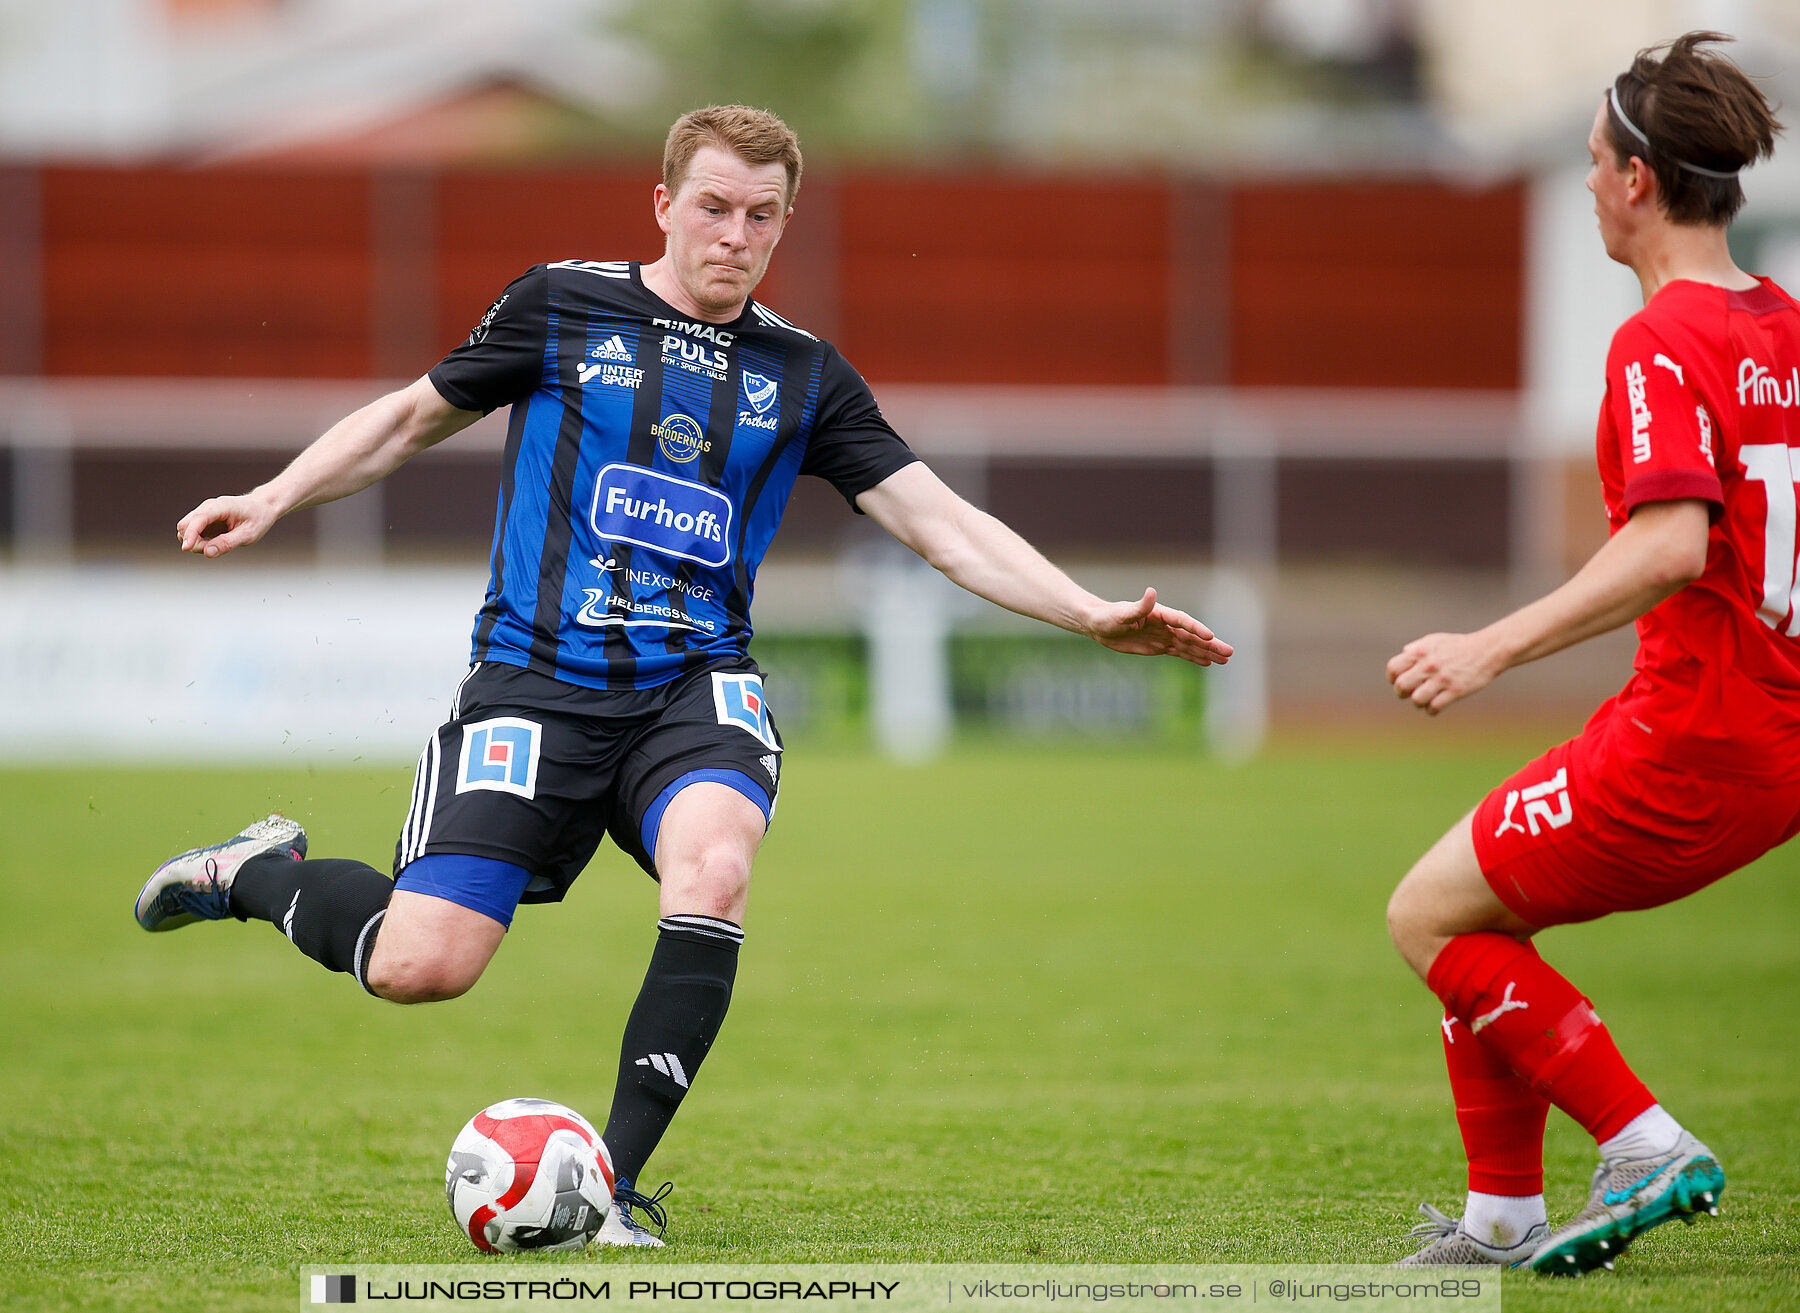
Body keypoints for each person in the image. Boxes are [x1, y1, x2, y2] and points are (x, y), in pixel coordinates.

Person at [133, 104, 1233, 1248]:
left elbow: (939, 521)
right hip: (532, 685)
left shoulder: (805, 375)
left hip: (693, 692)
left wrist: (1089, 611)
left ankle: (612, 1186)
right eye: (712, 206)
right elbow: (410, 419)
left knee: (713, 867)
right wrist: (272, 495)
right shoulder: (560, 303)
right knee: (422, 965)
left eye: (761, 216)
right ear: (663, 203)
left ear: (784, 223)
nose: (734, 235)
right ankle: (261, 870)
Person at [1383, 34, 1792, 1275]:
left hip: (1698, 729)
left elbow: (1672, 545)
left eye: (1593, 161)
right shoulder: (1786, 327)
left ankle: (1643, 1140)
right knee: (1472, 902)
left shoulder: (1662, 338)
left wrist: (1490, 645)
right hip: (1774, 737)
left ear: (1637, 183)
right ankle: (1501, 1216)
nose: (1586, 184)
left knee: (1426, 914)